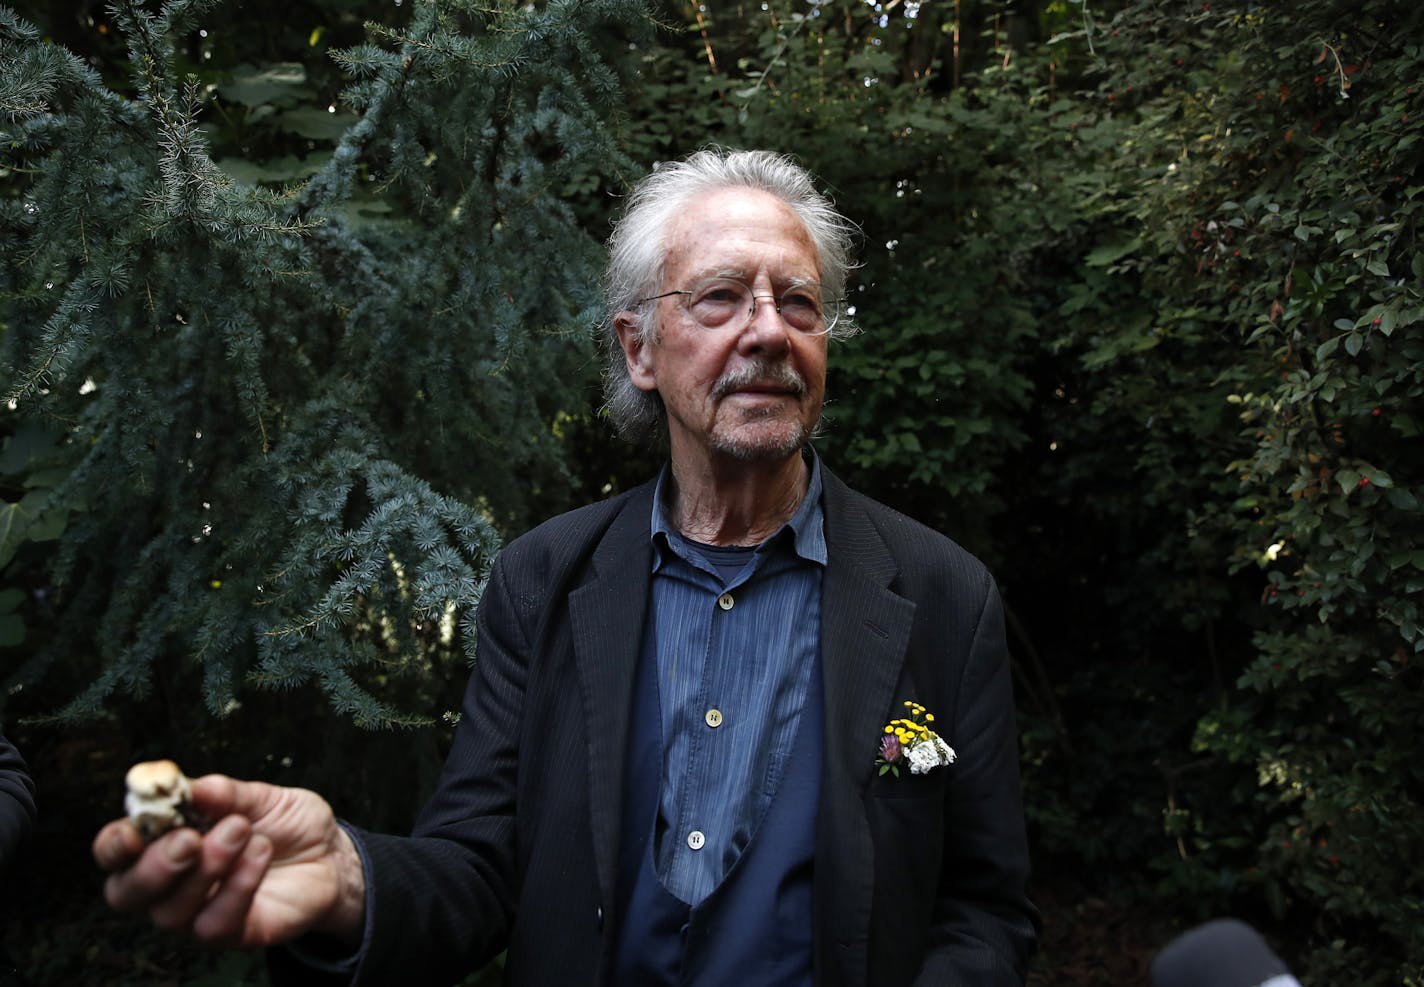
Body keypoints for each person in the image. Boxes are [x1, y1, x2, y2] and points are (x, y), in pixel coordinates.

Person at [93, 148, 1038, 986]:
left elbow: (984, 911)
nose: (767, 331)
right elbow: (481, 869)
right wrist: (351, 881)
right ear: (638, 348)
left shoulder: (941, 594)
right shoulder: (543, 579)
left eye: (799, 302)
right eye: (720, 297)